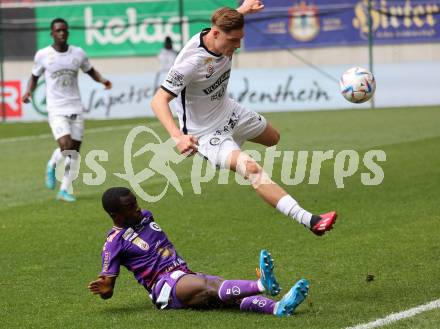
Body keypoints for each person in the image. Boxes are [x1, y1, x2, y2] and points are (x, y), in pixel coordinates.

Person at [150, 0, 337, 235]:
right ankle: (310, 220)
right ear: (217, 34)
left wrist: (244, 9)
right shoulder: (190, 63)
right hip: (205, 134)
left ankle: (233, 148)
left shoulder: (220, 31)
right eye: (233, 41)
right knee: (252, 169)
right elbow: (158, 101)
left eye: (240, 39)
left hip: (230, 111)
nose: (237, 46)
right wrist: (178, 137)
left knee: (273, 138)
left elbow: (229, 20)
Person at [88, 187, 310, 317]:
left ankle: (278, 308)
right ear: (115, 215)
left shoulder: (145, 216)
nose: (137, 208)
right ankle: (262, 284)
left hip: (183, 273)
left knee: (224, 295)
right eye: (130, 207)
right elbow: (107, 287)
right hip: (164, 286)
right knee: (209, 286)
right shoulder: (113, 243)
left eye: (135, 202)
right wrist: (103, 287)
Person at [22, 18, 112, 202]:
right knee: (66, 145)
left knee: (74, 153)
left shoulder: (78, 54)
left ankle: (64, 190)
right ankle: (52, 164)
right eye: (58, 31)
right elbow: (34, 76)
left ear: (68, 32)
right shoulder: (43, 55)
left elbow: (90, 71)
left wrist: (104, 81)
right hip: (56, 108)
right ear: (52, 33)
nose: (61, 33)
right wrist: (28, 92)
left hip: (76, 106)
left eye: (64, 30)